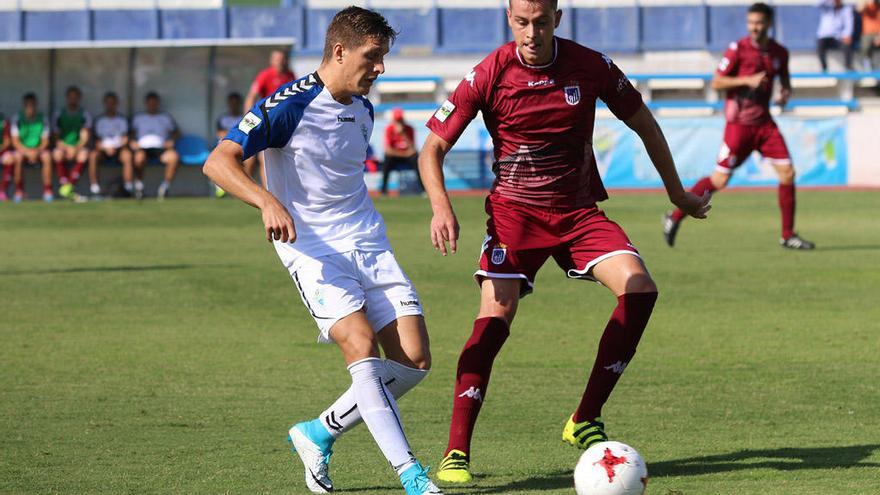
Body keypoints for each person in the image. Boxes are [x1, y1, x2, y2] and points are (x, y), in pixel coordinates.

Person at [419, 0, 710, 484]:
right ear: (509, 19)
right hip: (514, 216)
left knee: (640, 287)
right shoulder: (488, 73)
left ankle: (584, 418)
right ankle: (456, 451)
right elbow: (432, 148)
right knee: (496, 314)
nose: (531, 32)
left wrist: (677, 192)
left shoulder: (591, 65)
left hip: (577, 213)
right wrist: (440, 206)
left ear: (558, 17)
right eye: (521, 22)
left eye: (540, 21)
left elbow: (644, 123)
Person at [203, 7, 442, 495]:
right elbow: (218, 161)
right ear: (339, 51)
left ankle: (318, 432)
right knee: (361, 347)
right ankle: (413, 477)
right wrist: (266, 199)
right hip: (310, 249)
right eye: (372, 57)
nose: (380, 68)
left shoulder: (365, 108)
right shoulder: (287, 105)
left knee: (415, 362)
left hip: (368, 243)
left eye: (384, 58)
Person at [664, 3, 815, 250]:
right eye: (751, 22)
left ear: (769, 23)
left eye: (759, 22)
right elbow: (716, 82)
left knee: (788, 173)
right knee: (719, 180)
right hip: (740, 126)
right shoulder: (737, 49)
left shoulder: (780, 52)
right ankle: (675, 216)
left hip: (765, 125)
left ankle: (788, 235)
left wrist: (785, 92)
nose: (755, 27)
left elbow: (784, 79)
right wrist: (747, 79)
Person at [244, 48, 296, 186]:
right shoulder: (265, 75)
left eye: (283, 59)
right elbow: (251, 96)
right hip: (268, 121)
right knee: (262, 157)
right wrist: (249, 120)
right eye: (277, 59)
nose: (281, 62)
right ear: (271, 61)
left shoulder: (290, 75)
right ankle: (267, 189)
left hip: (286, 124)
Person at [131, 92, 180, 199]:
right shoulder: (138, 117)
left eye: (154, 103)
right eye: (150, 103)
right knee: (138, 158)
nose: (152, 105)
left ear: (158, 104)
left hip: (161, 148)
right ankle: (139, 186)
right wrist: (133, 142)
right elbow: (131, 134)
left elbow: (176, 132)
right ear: (146, 104)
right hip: (143, 149)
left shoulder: (165, 117)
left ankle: (164, 187)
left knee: (173, 157)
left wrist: (171, 141)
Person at [10, 93, 53, 202]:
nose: (30, 107)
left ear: (36, 105)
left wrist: (37, 151)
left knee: (47, 157)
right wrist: (27, 152)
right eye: (28, 104)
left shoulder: (43, 118)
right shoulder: (17, 118)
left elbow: (45, 140)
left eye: (32, 104)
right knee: (17, 158)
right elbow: (15, 141)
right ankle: (19, 191)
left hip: (39, 149)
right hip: (23, 150)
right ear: (24, 105)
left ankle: (47, 191)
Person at [51, 85, 92, 199]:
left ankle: (68, 186)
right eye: (71, 97)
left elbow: (85, 137)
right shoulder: (59, 114)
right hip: (63, 147)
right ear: (67, 98)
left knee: (84, 154)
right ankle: (65, 184)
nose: (73, 100)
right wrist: (66, 147)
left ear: (79, 98)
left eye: (75, 97)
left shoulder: (84, 114)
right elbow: (56, 137)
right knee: (57, 154)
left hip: (77, 147)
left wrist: (76, 148)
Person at [90, 91, 132, 198]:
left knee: (127, 155)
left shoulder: (122, 119)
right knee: (93, 155)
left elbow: (126, 138)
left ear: (116, 104)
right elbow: (96, 140)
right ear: (105, 104)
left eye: (113, 103)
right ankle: (95, 188)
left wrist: (117, 147)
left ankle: (128, 187)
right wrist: (105, 148)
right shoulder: (99, 120)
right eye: (108, 103)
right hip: (103, 151)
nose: (110, 105)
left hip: (119, 149)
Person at [212, 92, 251, 197]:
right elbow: (219, 133)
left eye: (236, 103)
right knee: (216, 159)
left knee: (250, 159)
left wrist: (232, 135)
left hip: (242, 146)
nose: (233, 105)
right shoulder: (223, 118)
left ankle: (243, 187)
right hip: (224, 146)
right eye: (231, 103)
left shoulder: (245, 118)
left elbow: (248, 133)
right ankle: (221, 186)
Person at [380, 107, 422, 195]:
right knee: (386, 160)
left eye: (400, 120)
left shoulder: (409, 129)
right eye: (397, 120)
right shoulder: (389, 129)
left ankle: (423, 189)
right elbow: (388, 150)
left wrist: (403, 134)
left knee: (416, 160)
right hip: (396, 156)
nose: (399, 122)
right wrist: (405, 154)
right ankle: (384, 190)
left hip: (407, 157)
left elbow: (413, 149)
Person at [817, 0, 855, 71]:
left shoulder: (846, 9)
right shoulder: (826, 7)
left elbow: (849, 24)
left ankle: (848, 67)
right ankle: (824, 68)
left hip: (838, 37)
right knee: (820, 45)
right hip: (824, 36)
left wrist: (847, 35)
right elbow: (818, 3)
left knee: (847, 45)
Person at [857, 0, 880, 70]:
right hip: (867, 33)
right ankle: (867, 67)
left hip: (878, 32)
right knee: (864, 49)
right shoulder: (865, 4)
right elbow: (859, 9)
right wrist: (867, 1)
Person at [0, 112, 14, 201]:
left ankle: (2, 190)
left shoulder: (4, 121)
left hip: (1, 151)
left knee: (10, 159)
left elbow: (7, 141)